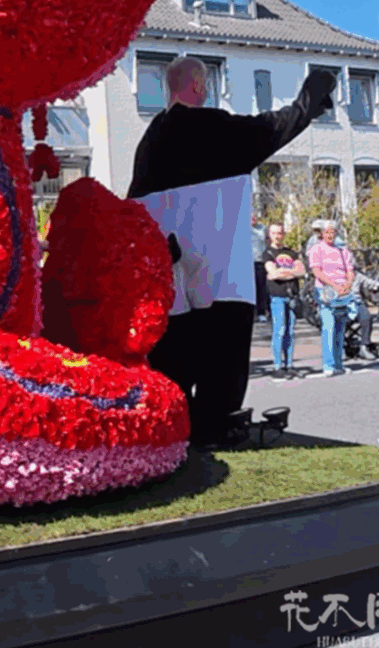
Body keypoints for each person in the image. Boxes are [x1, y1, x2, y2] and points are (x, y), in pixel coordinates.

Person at [130, 57, 335, 445]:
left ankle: (169, 430)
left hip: (167, 273)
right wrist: (311, 98)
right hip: (218, 266)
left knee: (172, 354)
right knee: (222, 356)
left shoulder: (150, 140)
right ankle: (216, 427)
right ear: (199, 87)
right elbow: (273, 128)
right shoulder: (212, 128)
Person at [307, 222, 360, 375]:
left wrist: (347, 284)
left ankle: (339, 364)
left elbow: (350, 270)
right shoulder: (316, 249)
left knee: (340, 328)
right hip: (326, 291)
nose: (330, 235)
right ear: (321, 234)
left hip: (342, 292)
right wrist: (334, 285)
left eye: (333, 232)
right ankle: (328, 365)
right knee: (328, 326)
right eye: (327, 232)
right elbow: (317, 271)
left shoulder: (343, 250)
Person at [261, 224, 305, 377]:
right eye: (274, 233)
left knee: (290, 332)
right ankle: (277, 366)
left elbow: (302, 270)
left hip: (292, 296)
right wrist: (291, 272)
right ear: (269, 235)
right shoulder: (267, 253)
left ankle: (290, 364)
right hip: (277, 296)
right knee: (279, 331)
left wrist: (284, 272)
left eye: (280, 233)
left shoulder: (291, 252)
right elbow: (272, 273)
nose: (277, 236)